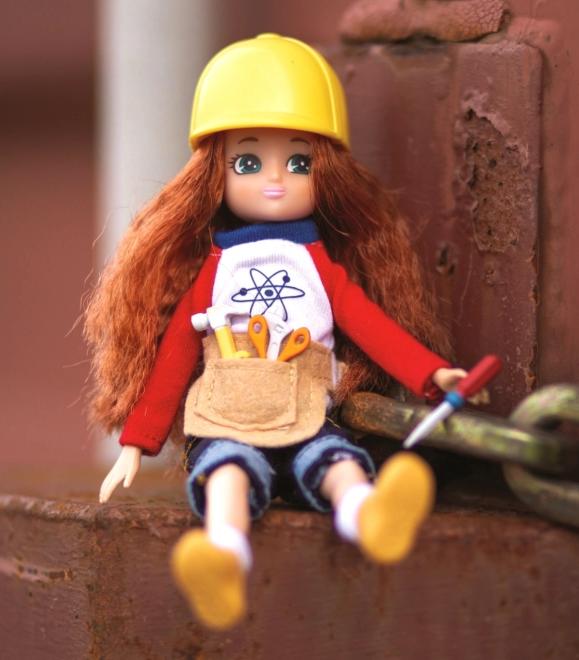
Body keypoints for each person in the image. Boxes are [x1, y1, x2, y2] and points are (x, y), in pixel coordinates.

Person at [85, 34, 468, 629]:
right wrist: (138, 440)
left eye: (298, 163)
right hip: (228, 416)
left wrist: (430, 372)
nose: (274, 181)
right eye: (247, 163)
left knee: (335, 460)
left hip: (305, 412)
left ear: (327, 171)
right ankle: (223, 556)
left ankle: (369, 516)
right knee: (228, 472)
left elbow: (371, 326)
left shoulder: (321, 268)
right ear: (213, 173)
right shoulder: (214, 271)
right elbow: (177, 354)